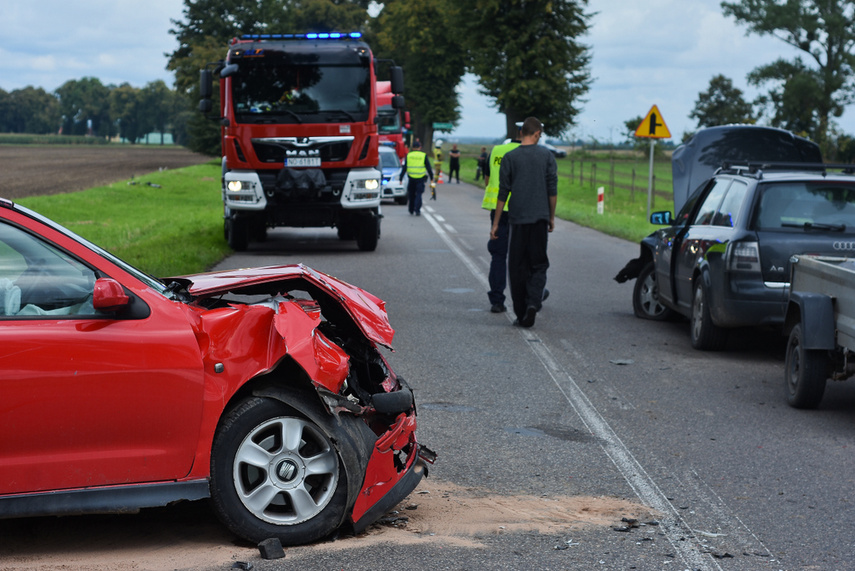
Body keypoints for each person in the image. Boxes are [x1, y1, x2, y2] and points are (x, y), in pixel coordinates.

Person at [490, 117, 557, 328]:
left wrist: (496, 223)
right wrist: (551, 216)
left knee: (517, 266)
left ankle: (521, 313)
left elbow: (503, 192)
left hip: (517, 220)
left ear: (521, 133)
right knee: (538, 264)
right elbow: (552, 191)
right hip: (539, 220)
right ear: (536, 133)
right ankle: (533, 303)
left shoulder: (510, 157)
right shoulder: (547, 156)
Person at [481, 130, 520, 313]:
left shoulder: (496, 151)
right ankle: (531, 296)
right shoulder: (526, 152)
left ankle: (497, 300)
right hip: (522, 210)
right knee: (523, 256)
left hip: (498, 209)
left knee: (498, 256)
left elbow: (487, 179)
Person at [400, 141, 433, 216]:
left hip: (411, 178)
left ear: (412, 148)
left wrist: (401, 178)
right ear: (419, 147)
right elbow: (428, 167)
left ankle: (411, 209)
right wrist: (431, 177)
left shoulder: (408, 155)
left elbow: (404, 168)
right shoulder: (423, 155)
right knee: (419, 194)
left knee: (411, 195)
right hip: (420, 179)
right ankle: (417, 210)